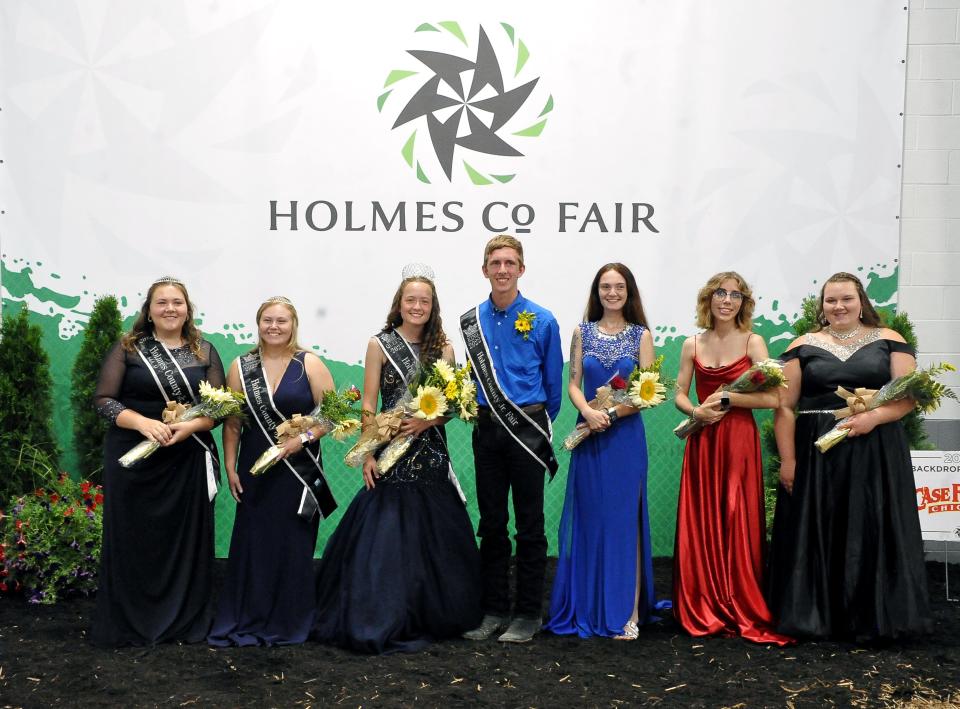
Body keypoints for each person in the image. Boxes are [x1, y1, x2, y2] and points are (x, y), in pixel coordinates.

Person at [311, 264, 482, 654]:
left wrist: (429, 421)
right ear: (399, 304)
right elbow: (369, 403)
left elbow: (453, 405)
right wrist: (369, 451)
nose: (417, 306)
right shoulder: (380, 344)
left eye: (424, 300)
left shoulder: (445, 349)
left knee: (436, 531)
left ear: (432, 305)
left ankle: (433, 613)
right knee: (387, 533)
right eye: (411, 300)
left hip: (432, 451)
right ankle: (385, 611)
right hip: (390, 453)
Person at [767, 272, 932, 641]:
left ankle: (872, 619)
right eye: (831, 300)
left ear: (861, 302)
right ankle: (818, 617)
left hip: (876, 451)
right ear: (821, 306)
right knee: (820, 527)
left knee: (871, 526)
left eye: (846, 299)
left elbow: (907, 398)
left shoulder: (891, 341)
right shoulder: (801, 345)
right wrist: (789, 461)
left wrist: (872, 417)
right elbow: (784, 407)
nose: (838, 306)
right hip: (817, 454)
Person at [90, 277, 224, 647]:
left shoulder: (205, 351)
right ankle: (130, 622)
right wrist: (144, 423)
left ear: (187, 309)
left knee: (186, 542)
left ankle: (183, 620)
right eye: (162, 302)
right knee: (133, 539)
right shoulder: (128, 348)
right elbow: (103, 399)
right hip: (134, 457)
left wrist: (188, 427)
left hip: (186, 457)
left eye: (177, 302)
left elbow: (218, 408)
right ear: (148, 310)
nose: (170, 309)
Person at [208, 297, 337, 647]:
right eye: (268, 320)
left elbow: (331, 416)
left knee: (294, 545)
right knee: (254, 545)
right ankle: (250, 614)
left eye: (282, 321)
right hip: (256, 469)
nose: (274, 327)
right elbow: (233, 422)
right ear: (258, 323)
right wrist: (231, 466)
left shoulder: (309, 363)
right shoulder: (241, 365)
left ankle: (291, 620)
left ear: (293, 325)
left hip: (299, 471)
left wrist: (302, 440)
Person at [672, 272, 791, 646]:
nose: (727, 300)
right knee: (703, 517)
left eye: (735, 295)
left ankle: (739, 600)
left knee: (736, 516)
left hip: (738, 440)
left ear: (744, 303)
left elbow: (775, 399)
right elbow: (679, 392)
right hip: (703, 440)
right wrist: (695, 412)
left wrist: (728, 399)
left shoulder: (754, 342)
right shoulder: (691, 344)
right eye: (721, 293)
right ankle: (705, 601)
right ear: (709, 298)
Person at [544, 264, 657, 640]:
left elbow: (647, 393)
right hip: (589, 437)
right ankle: (588, 605)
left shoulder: (641, 335)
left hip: (624, 441)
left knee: (625, 522)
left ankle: (627, 613)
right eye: (605, 286)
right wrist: (589, 413)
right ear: (597, 291)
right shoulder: (582, 332)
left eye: (619, 286)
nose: (612, 293)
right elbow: (573, 383)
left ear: (629, 291)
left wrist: (608, 414)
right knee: (590, 521)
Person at [460, 235, 564, 643]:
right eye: (495, 262)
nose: (502, 269)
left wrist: (532, 426)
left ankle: (527, 614)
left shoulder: (543, 320)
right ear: (484, 269)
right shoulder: (472, 321)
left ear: (521, 269)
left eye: (510, 262)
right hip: (486, 432)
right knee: (492, 524)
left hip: (526, 432)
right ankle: (494, 610)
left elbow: (553, 390)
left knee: (530, 527)